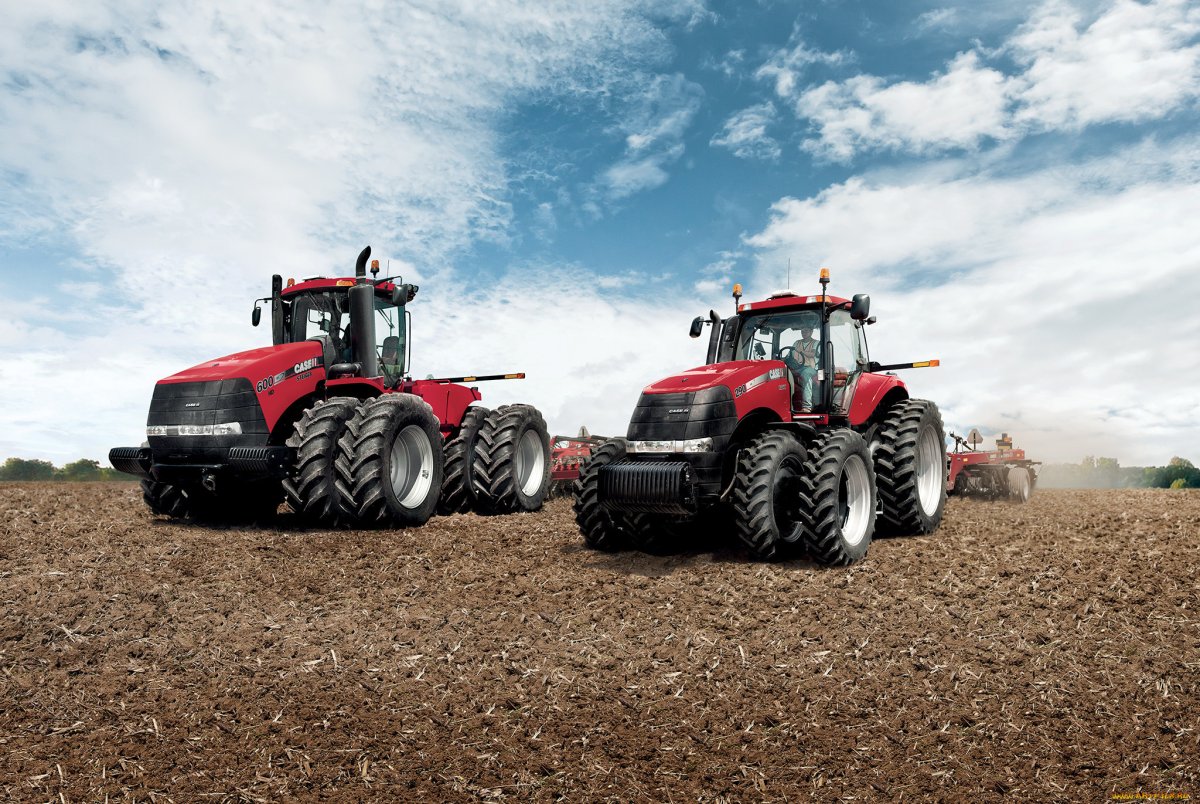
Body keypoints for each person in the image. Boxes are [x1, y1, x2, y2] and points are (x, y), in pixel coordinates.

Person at [790, 325, 819, 412]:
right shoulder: (797, 343)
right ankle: (788, 404)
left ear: (811, 332)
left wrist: (801, 351)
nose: (804, 333)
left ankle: (807, 406)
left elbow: (812, 354)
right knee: (784, 373)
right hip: (797, 367)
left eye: (806, 331)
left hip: (811, 368)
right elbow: (790, 355)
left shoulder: (816, 343)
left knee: (805, 374)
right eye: (802, 331)